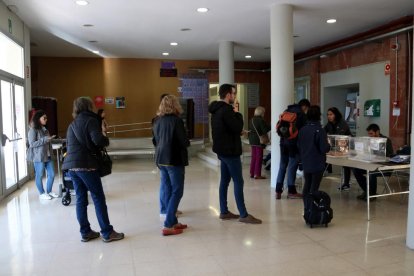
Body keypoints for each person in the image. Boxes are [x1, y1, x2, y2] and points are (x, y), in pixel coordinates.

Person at [62, 97, 124, 243]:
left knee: (81, 199)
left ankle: (85, 232)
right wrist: (104, 135)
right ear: (89, 106)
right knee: (98, 198)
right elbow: (99, 141)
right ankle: (107, 232)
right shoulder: (91, 120)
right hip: (87, 166)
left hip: (72, 167)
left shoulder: (72, 124)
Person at [209, 83, 262, 224]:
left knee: (224, 181)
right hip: (230, 151)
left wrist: (238, 130)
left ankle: (224, 211)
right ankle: (243, 214)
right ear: (228, 95)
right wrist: (237, 113)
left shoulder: (216, 110)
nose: (235, 96)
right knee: (238, 181)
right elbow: (237, 125)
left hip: (221, 150)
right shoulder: (227, 110)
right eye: (234, 94)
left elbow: (228, 128)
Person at [153, 95, 190, 236]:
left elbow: (155, 140)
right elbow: (184, 141)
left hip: (161, 159)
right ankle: (168, 224)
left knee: (168, 189)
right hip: (174, 160)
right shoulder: (177, 121)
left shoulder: (158, 121)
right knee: (177, 191)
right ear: (175, 105)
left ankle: (173, 220)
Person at [297, 106, 330, 211]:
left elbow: (299, 145)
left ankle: (307, 207)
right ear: (319, 116)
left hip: (306, 161)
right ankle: (313, 208)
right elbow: (324, 148)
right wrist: (329, 145)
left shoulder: (302, 129)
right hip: (317, 163)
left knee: (307, 186)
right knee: (314, 188)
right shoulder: (320, 130)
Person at [275, 100, 307, 200]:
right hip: (294, 145)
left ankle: (278, 191)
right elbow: (303, 131)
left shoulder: (285, 112)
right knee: (292, 167)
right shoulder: (301, 114)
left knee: (282, 166)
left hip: (283, 143)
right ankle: (291, 191)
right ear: (304, 106)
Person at [352, 124, 394, 201]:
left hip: (384, 166)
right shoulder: (369, 140)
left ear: (377, 132)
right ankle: (367, 191)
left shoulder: (386, 140)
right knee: (356, 170)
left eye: (371, 134)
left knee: (371, 173)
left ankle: (372, 194)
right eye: (369, 134)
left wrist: (378, 147)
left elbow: (389, 155)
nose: (370, 136)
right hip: (371, 164)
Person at [27, 110, 58, 200]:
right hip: (39, 157)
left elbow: (47, 141)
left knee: (52, 174)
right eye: (44, 118)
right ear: (38, 118)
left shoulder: (45, 129)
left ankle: (49, 192)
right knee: (39, 175)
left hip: (48, 156)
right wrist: (45, 139)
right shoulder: (32, 130)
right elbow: (32, 144)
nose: (46, 119)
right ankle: (42, 193)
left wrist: (51, 139)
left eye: (46, 118)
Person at [324, 107, 352, 191]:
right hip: (337, 146)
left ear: (335, 115)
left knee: (346, 165)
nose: (329, 116)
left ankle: (346, 183)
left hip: (346, 146)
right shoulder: (329, 124)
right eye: (328, 115)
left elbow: (340, 137)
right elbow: (323, 132)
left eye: (331, 114)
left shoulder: (342, 123)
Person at [248, 106, 270, 179]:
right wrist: (270, 125)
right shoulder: (260, 120)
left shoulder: (251, 120)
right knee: (259, 157)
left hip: (252, 140)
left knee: (254, 157)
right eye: (264, 112)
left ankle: (252, 173)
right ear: (261, 113)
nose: (264, 114)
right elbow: (265, 130)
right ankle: (257, 174)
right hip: (258, 141)